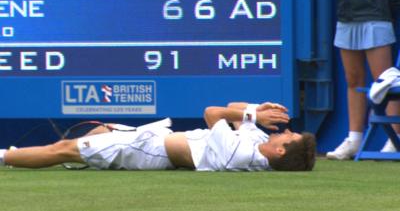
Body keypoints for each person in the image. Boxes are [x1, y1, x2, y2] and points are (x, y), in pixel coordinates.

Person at [0, 102, 316, 171]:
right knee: (101, 130)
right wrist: (253, 109)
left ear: (280, 153)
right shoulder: (256, 143)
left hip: (149, 152)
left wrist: (251, 117)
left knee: (63, 149)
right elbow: (232, 109)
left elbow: (212, 113)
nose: (284, 131)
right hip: (152, 139)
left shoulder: (242, 154)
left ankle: (5, 156)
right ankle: (17, 156)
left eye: (288, 138)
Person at [327, 0, 400, 160]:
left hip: (377, 17)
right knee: (352, 80)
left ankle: (395, 138)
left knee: (385, 82)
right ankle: (354, 140)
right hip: (347, 16)